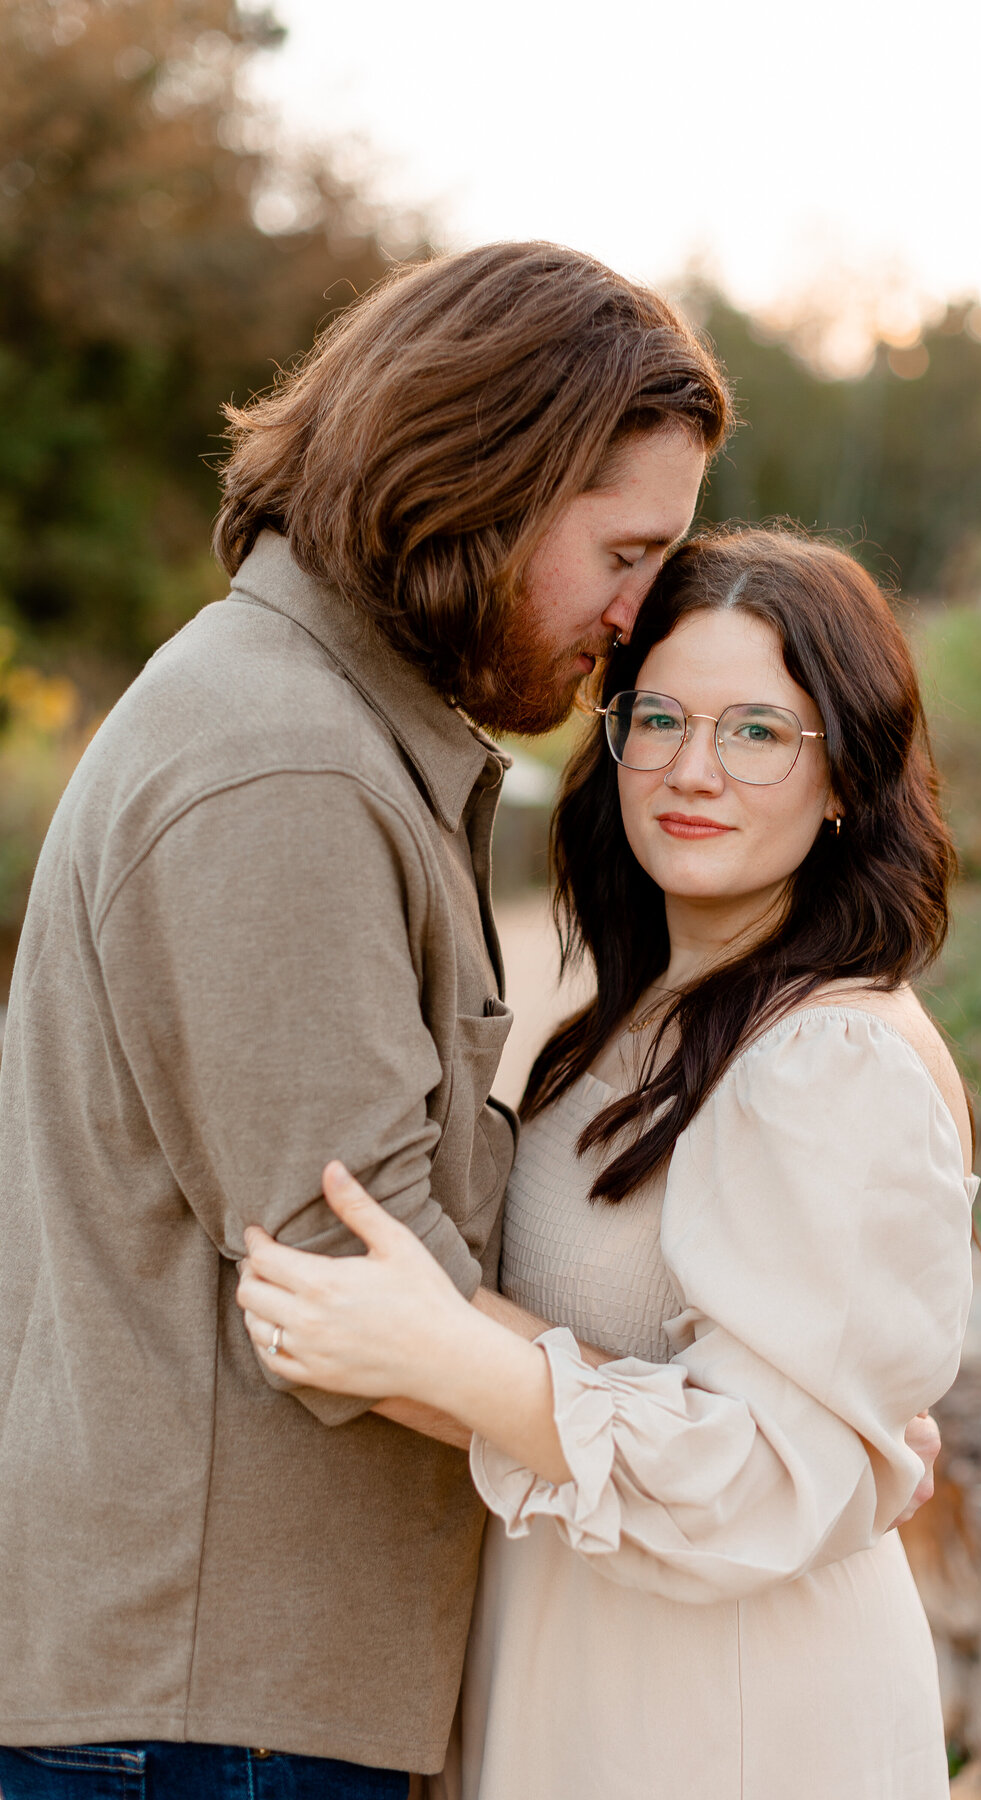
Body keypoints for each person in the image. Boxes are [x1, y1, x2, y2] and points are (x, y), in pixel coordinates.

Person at [0, 242, 729, 1797]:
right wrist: (734, 1441)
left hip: (241, 1707)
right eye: (625, 551)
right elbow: (362, 1310)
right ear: (487, 483)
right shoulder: (285, 768)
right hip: (210, 1718)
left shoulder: (325, 732)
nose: (637, 615)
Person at [235, 527, 978, 1798]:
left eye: (758, 732)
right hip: (595, 1670)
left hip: (731, 1720)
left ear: (845, 772)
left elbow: (767, 1478)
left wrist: (453, 1358)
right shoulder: (645, 1011)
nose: (694, 770)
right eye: (660, 717)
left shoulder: (831, 1059)